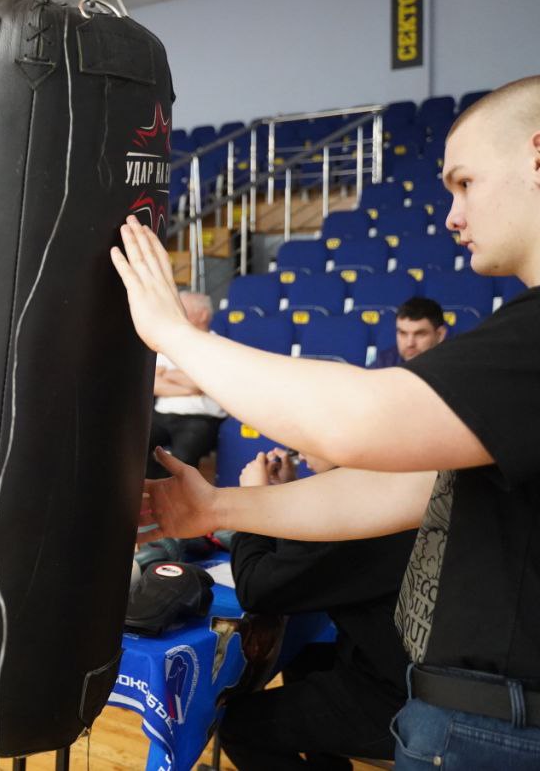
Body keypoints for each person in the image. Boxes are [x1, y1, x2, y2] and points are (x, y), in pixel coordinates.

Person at [110, 76, 540, 769]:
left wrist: (175, 335)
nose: (452, 216)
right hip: (468, 715)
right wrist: (218, 506)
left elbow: (358, 424)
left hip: (502, 723)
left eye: (465, 183)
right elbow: (398, 488)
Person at [220, 448, 415, 769]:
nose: (298, 448)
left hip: (399, 697)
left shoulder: (356, 507)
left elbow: (257, 589)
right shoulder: (391, 478)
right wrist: (287, 495)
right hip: (402, 668)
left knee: (238, 727)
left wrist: (252, 501)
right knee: (304, 658)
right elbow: (304, 559)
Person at [147, 291, 226, 476]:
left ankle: (173, 491)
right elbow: (153, 383)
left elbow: (202, 384)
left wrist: (167, 374)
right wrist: (190, 388)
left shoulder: (220, 346)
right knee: (131, 445)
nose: (175, 313)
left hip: (200, 419)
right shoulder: (167, 343)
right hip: (162, 415)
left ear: (203, 315)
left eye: (182, 309)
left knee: (182, 461)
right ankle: (157, 487)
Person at [370, 297, 446, 368]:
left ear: (440, 335)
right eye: (403, 333)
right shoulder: (385, 363)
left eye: (419, 334)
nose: (410, 344)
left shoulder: (451, 366)